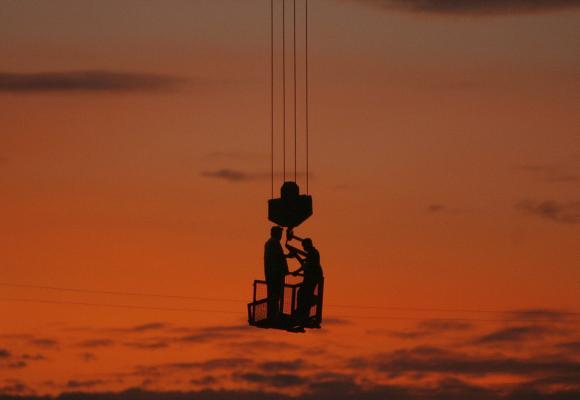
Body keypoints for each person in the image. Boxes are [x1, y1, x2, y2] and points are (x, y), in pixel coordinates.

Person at [286, 235, 324, 327]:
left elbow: (306, 266)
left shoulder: (312, 253)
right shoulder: (313, 252)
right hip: (312, 277)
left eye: (304, 246)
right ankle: (303, 314)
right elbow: (305, 264)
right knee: (304, 295)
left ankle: (302, 315)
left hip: (312, 278)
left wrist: (296, 271)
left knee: (303, 295)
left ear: (307, 245)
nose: (303, 248)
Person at [264, 226, 291, 321]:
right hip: (275, 274)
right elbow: (278, 258)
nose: (281, 235)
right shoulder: (273, 243)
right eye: (280, 233)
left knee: (274, 295)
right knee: (275, 295)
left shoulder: (271, 243)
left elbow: (278, 257)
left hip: (272, 274)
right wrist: (285, 271)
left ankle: (273, 314)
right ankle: (273, 315)